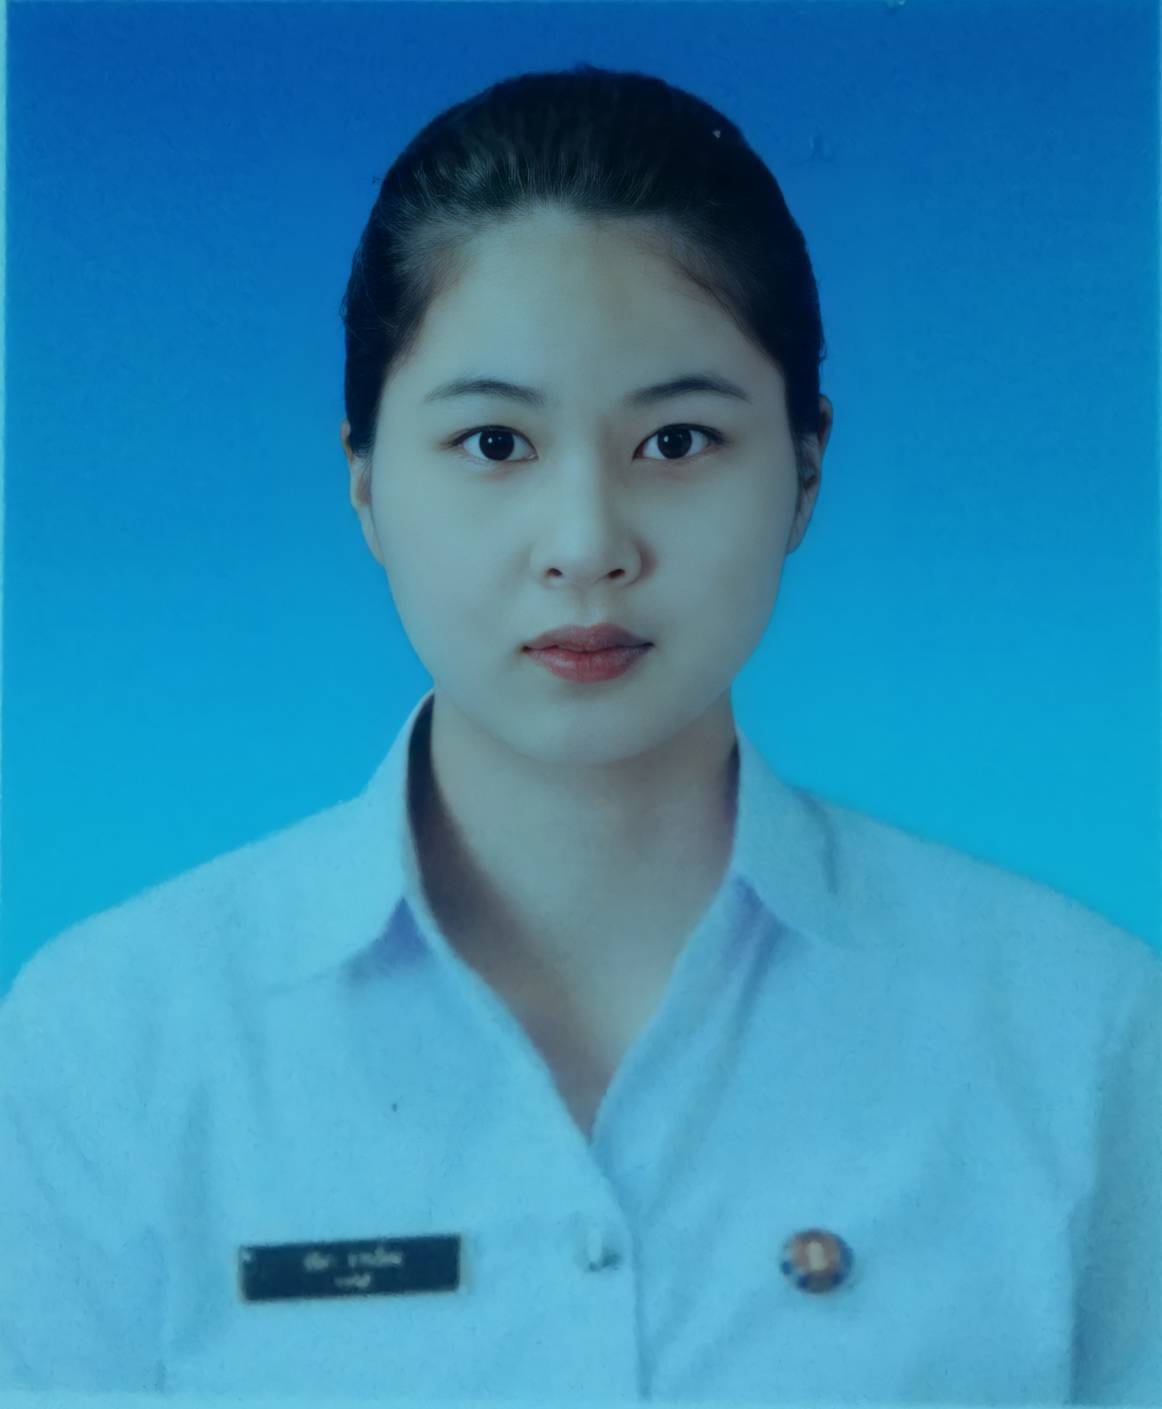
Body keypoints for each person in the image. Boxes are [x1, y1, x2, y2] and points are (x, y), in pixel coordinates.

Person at [1, 62, 1158, 1405]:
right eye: (495, 444)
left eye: (677, 441)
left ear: (806, 469)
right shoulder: (113, 1042)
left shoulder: (1073, 1032)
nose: (588, 544)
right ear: (364, 480)